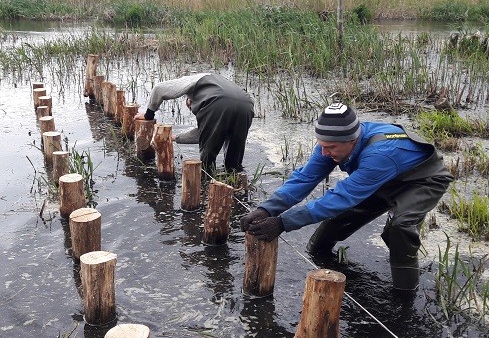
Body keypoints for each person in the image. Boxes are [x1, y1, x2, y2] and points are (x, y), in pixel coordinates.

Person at [240, 103, 453, 291]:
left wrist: (282, 223)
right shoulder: (331, 143)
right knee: (339, 218)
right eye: (322, 145)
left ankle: (404, 295)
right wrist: (266, 209)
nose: (324, 152)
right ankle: (318, 255)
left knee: (400, 228)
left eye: (330, 148)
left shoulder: (379, 154)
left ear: (352, 140)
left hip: (421, 180)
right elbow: (304, 178)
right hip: (381, 178)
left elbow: (341, 198)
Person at [134, 73, 255, 173]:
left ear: (189, 101)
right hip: (247, 105)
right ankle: (236, 184)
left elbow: (159, 88)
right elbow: (206, 132)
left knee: (207, 160)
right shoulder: (215, 82)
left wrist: (148, 115)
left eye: (190, 107)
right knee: (234, 162)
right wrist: (176, 137)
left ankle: (205, 183)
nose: (192, 110)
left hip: (218, 101)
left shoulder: (191, 81)